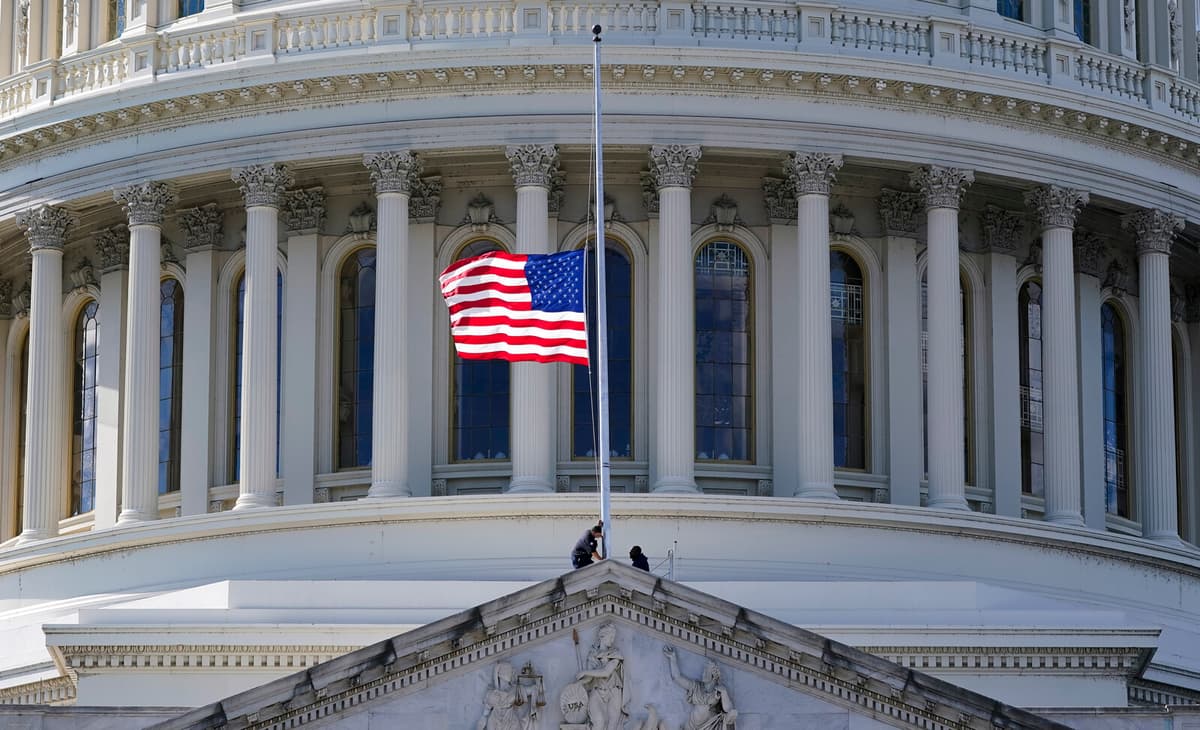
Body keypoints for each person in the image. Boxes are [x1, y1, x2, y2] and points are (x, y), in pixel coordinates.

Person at [663, 646, 737, 730]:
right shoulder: (696, 686)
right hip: (691, 725)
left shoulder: (719, 691)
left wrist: (724, 692)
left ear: (714, 675)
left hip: (708, 725)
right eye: (704, 671)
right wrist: (673, 659)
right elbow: (677, 678)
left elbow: (729, 709)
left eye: (706, 671)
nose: (703, 673)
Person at [576, 623, 626, 730]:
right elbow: (589, 678)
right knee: (598, 722)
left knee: (612, 725)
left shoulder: (615, 653)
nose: (612, 640)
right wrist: (578, 684)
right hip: (597, 689)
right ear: (602, 636)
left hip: (613, 690)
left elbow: (606, 672)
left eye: (614, 637)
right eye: (611, 637)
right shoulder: (592, 654)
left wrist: (585, 671)